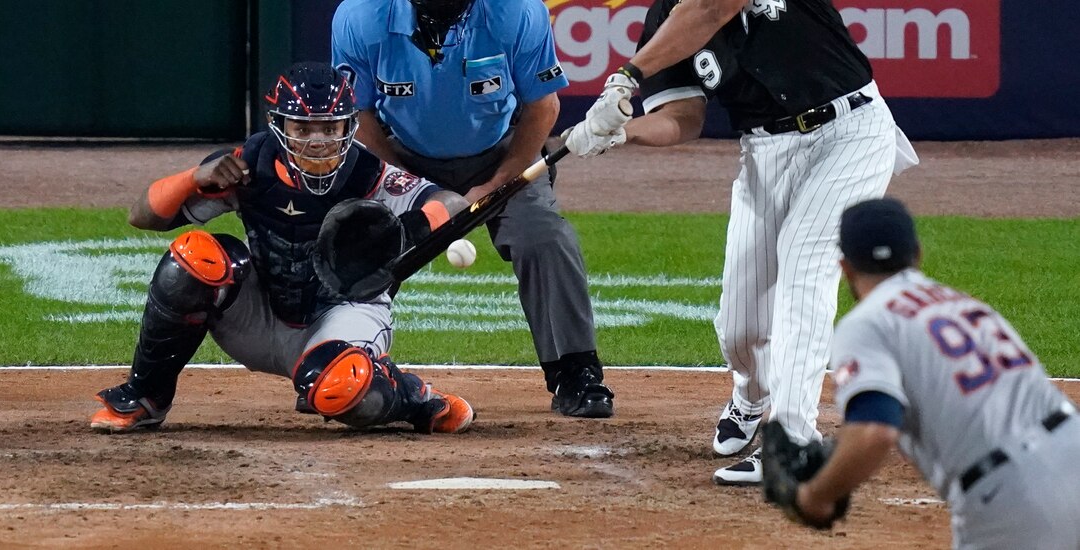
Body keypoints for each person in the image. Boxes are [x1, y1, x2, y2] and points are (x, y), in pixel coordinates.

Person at [564, 0, 919, 482]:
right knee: (740, 324)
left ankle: (792, 441)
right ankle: (751, 395)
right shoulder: (663, 19)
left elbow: (712, 8)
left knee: (805, 272)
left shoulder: (685, 19)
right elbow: (683, 117)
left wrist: (626, 76)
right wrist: (618, 133)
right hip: (764, 153)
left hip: (850, 131)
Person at [89, 62, 475, 435]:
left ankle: (413, 396)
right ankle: (145, 396)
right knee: (192, 258)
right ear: (279, 125)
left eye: (329, 128)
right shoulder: (248, 166)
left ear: (348, 126)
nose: (317, 142)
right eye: (303, 128)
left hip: (341, 316)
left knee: (342, 390)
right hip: (257, 317)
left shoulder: (368, 173)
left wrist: (411, 227)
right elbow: (143, 216)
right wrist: (194, 177)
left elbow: (454, 204)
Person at [330, 0, 614, 418]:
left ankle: (575, 372)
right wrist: (413, 188)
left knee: (545, 237)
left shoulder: (517, 11)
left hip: (500, 155)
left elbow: (543, 107)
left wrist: (494, 187)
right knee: (359, 244)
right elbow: (359, 115)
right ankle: (340, 366)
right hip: (400, 157)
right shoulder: (360, 16)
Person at [762, 198, 1080, 548]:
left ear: (845, 267)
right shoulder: (966, 305)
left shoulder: (867, 322)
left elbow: (875, 430)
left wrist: (814, 497)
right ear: (917, 254)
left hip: (1014, 502)